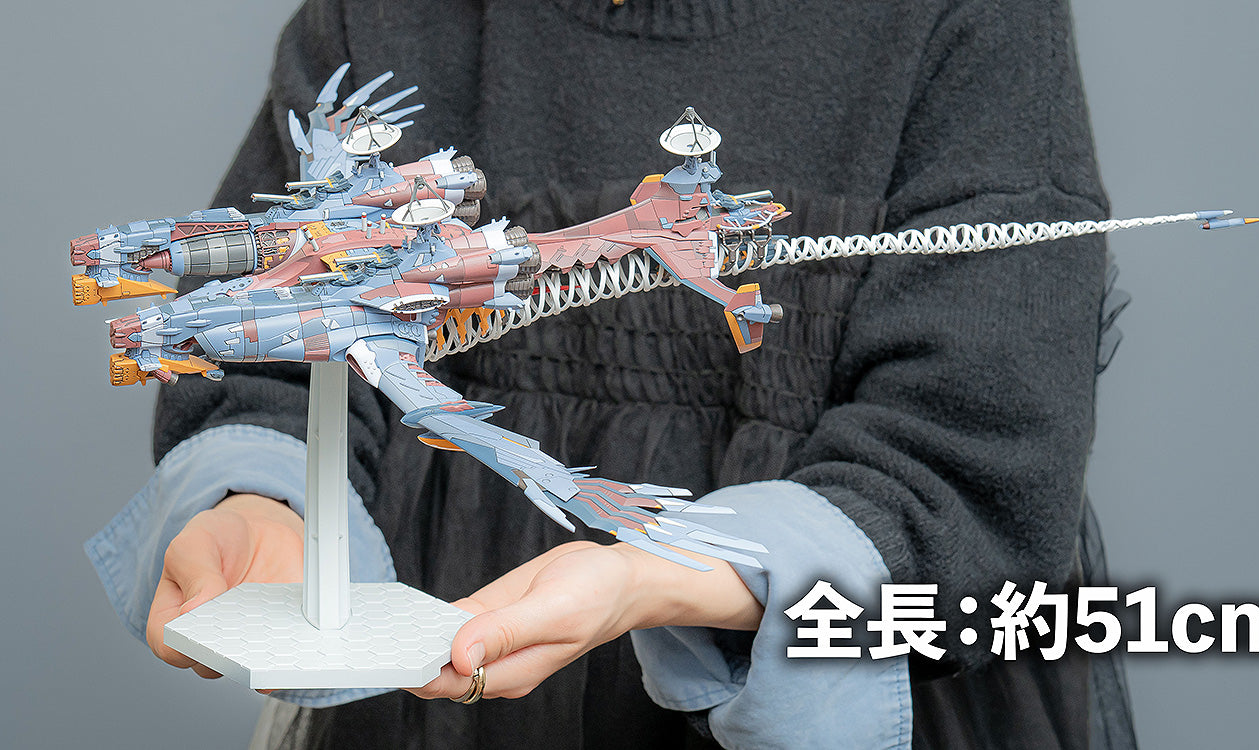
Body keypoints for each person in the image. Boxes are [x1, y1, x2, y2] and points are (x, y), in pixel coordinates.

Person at [85, 0, 1137, 747]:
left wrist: (656, 574)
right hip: (430, 714)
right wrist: (265, 500)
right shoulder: (382, 22)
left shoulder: (968, 21)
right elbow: (276, 341)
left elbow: (975, 447)